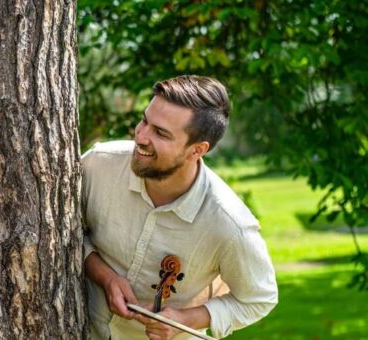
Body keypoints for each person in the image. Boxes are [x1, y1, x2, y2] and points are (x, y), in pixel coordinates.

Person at [82, 75, 278, 339]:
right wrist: (105, 277)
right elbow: (63, 235)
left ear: (197, 150)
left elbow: (259, 298)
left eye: (160, 133)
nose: (140, 136)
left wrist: (186, 319)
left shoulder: (229, 224)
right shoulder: (98, 165)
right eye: (144, 121)